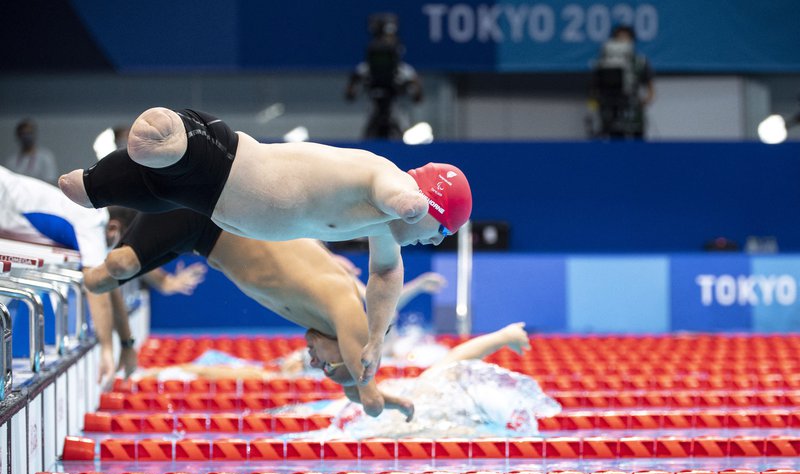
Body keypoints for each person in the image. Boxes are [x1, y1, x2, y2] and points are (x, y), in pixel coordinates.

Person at [58, 107, 472, 386]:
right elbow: (397, 192)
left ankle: (92, 186)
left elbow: (386, 273)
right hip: (222, 161)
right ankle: (167, 130)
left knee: (126, 193)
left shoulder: (381, 227)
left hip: (213, 207)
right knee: (167, 150)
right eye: (441, 230)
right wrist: (411, 204)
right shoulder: (390, 183)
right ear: (431, 206)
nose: (435, 240)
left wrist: (377, 340)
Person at [83, 209, 445, 417]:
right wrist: (391, 401)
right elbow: (365, 395)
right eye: (330, 366)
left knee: (110, 275)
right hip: (205, 215)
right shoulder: (346, 309)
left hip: (197, 236)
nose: (317, 365)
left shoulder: (331, 308)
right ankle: (81, 235)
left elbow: (356, 385)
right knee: (114, 267)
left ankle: (88, 245)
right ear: (349, 347)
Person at [305, 322, 561, 437]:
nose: (316, 365)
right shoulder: (427, 397)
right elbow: (455, 362)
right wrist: (503, 337)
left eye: (326, 363)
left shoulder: (428, 400)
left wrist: (504, 337)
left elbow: (455, 362)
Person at [0, 165, 132, 388]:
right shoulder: (92, 221)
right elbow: (97, 289)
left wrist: (127, 344)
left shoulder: (96, 224)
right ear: (114, 228)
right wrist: (107, 351)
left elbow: (110, 285)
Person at [345, 13, 423, 139]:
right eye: (382, 38)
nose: (386, 42)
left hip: (397, 117)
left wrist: (412, 84)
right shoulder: (364, 70)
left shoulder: (404, 72)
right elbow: (349, 96)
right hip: (372, 117)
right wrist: (355, 81)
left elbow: (418, 98)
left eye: (390, 38)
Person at [590, 25, 655, 139]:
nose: (622, 41)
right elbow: (594, 86)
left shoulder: (640, 61)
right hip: (610, 106)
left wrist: (646, 99)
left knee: (638, 140)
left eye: (626, 38)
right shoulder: (603, 62)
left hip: (633, 106)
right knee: (616, 139)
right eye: (619, 38)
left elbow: (650, 87)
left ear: (632, 40)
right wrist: (595, 103)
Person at [5, 118, 58, 185]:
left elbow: (50, 181)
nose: (26, 137)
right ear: (18, 136)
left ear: (34, 134)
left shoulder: (45, 157)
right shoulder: (11, 161)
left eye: (29, 133)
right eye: (23, 134)